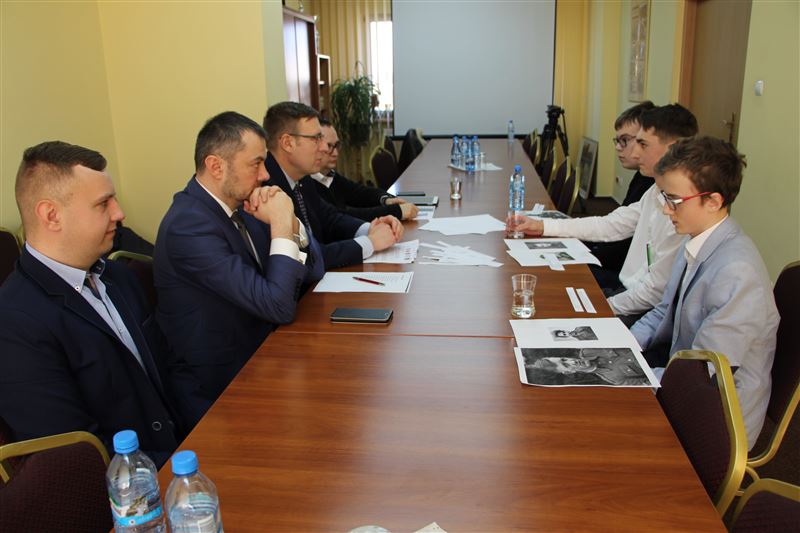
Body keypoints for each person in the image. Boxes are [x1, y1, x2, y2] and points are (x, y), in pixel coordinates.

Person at [0, 141, 185, 465]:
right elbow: (75, 457)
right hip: (134, 484)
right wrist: (176, 464)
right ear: (52, 215)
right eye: (103, 204)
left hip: (183, 450)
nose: (119, 213)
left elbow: (169, 368)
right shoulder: (14, 323)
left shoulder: (119, 276)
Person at [154, 111, 325, 421]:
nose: (265, 175)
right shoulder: (188, 226)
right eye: (255, 164)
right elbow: (277, 305)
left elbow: (313, 270)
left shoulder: (243, 206)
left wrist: (292, 224)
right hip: (221, 390)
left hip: (264, 356)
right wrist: (281, 222)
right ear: (216, 166)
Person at [631, 136, 778, 450]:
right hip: (682, 377)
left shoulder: (737, 271)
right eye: (664, 198)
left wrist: (631, 375)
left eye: (674, 200)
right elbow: (664, 310)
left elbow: (702, 374)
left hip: (715, 416)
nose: (666, 210)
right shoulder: (697, 239)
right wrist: (622, 346)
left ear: (712, 201)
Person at [510, 104, 698, 321]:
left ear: (673, 148)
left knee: (548, 304)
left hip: (640, 311)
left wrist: (602, 307)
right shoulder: (655, 190)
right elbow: (611, 225)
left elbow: (654, 293)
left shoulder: (682, 209)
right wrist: (542, 226)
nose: (635, 153)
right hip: (625, 294)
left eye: (643, 145)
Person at [262, 101, 403, 270]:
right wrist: (370, 242)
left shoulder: (302, 176)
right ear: (287, 143)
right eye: (316, 139)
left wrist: (371, 228)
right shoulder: (266, 190)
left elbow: (330, 219)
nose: (323, 148)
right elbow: (304, 257)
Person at [588, 101, 656, 272]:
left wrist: (589, 256)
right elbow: (616, 223)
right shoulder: (641, 176)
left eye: (624, 140)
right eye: (617, 141)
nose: (618, 148)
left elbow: (622, 238)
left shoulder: (654, 184)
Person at [310, 119, 419, 222]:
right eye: (329, 146)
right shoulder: (308, 184)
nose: (335, 153)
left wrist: (386, 200)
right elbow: (342, 216)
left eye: (337, 145)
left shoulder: (329, 175)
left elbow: (359, 192)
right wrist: (396, 211)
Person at [528, 348, 648, 386]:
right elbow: (647, 383)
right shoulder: (613, 379)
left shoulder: (589, 348)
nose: (572, 361)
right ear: (569, 372)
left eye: (564, 359)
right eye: (566, 365)